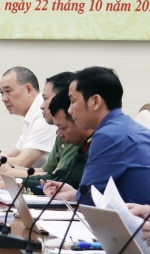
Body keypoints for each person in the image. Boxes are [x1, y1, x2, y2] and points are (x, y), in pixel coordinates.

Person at [43, 66, 150, 205]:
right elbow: (92, 194)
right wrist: (75, 193)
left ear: (95, 102)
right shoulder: (128, 127)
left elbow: (88, 199)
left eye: (73, 101)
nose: (70, 110)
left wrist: (81, 195)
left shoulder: (108, 136)